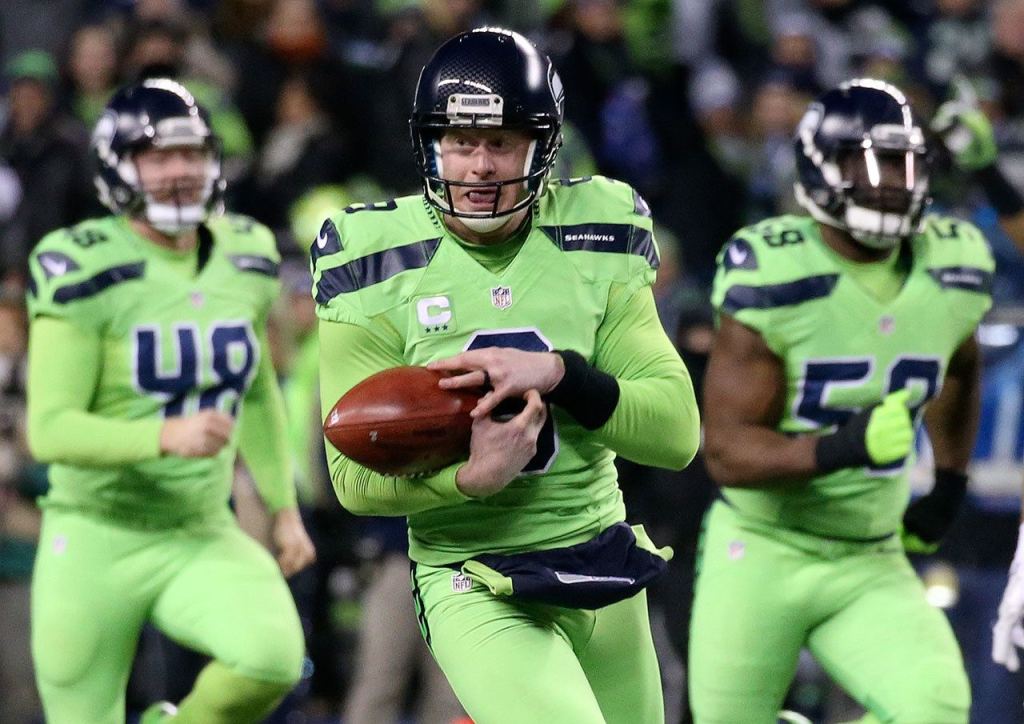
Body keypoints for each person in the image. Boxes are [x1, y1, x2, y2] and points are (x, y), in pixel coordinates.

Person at [313, 27, 700, 724]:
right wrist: (465, 479)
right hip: (471, 570)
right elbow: (352, 481)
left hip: (599, 558)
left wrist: (559, 373)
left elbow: (676, 434)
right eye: (462, 142)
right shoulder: (370, 253)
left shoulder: (599, 228)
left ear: (543, 148)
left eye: (502, 142)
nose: (481, 166)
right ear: (431, 146)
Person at [691, 78, 991, 724]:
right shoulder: (773, 269)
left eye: (905, 166)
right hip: (763, 546)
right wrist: (841, 446)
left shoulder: (953, 263)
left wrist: (950, 480)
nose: (892, 184)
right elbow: (727, 451)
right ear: (821, 167)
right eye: (871, 166)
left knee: (936, 710)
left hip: (870, 553)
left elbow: (962, 365)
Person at [25, 78, 315, 724]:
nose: (181, 172)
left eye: (191, 155)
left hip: (198, 527)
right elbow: (47, 430)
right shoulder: (83, 265)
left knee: (271, 656)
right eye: (159, 157)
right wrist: (164, 437)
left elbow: (258, 391)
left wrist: (282, 507)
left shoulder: (247, 253)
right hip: (96, 530)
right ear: (117, 167)